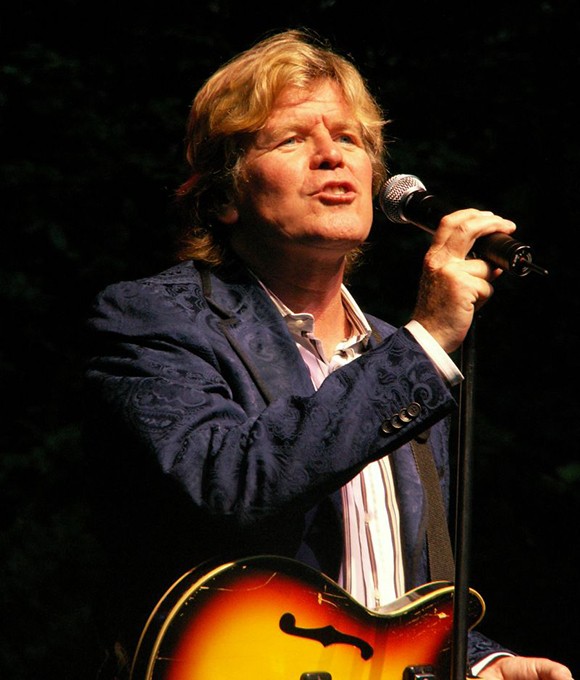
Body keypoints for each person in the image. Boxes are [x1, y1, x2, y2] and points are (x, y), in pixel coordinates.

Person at [84, 29, 573, 680]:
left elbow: (394, 594)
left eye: (348, 138)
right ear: (226, 196)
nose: (331, 157)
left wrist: (483, 665)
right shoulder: (154, 317)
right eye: (292, 139)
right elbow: (231, 484)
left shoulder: (405, 358)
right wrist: (425, 339)